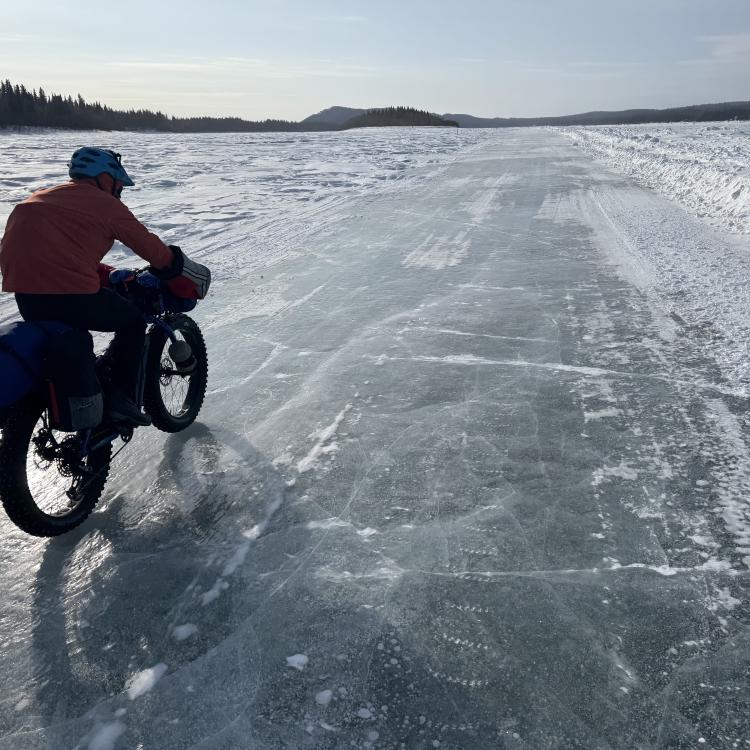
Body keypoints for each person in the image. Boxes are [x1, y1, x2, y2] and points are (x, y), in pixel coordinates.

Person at [0, 147, 176, 426]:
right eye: (118, 183)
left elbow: (51, 254)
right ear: (105, 178)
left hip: (27, 298)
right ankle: (122, 398)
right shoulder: (105, 204)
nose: (119, 190)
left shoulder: (38, 199)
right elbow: (148, 245)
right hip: (73, 298)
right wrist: (171, 262)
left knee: (67, 334)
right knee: (131, 321)